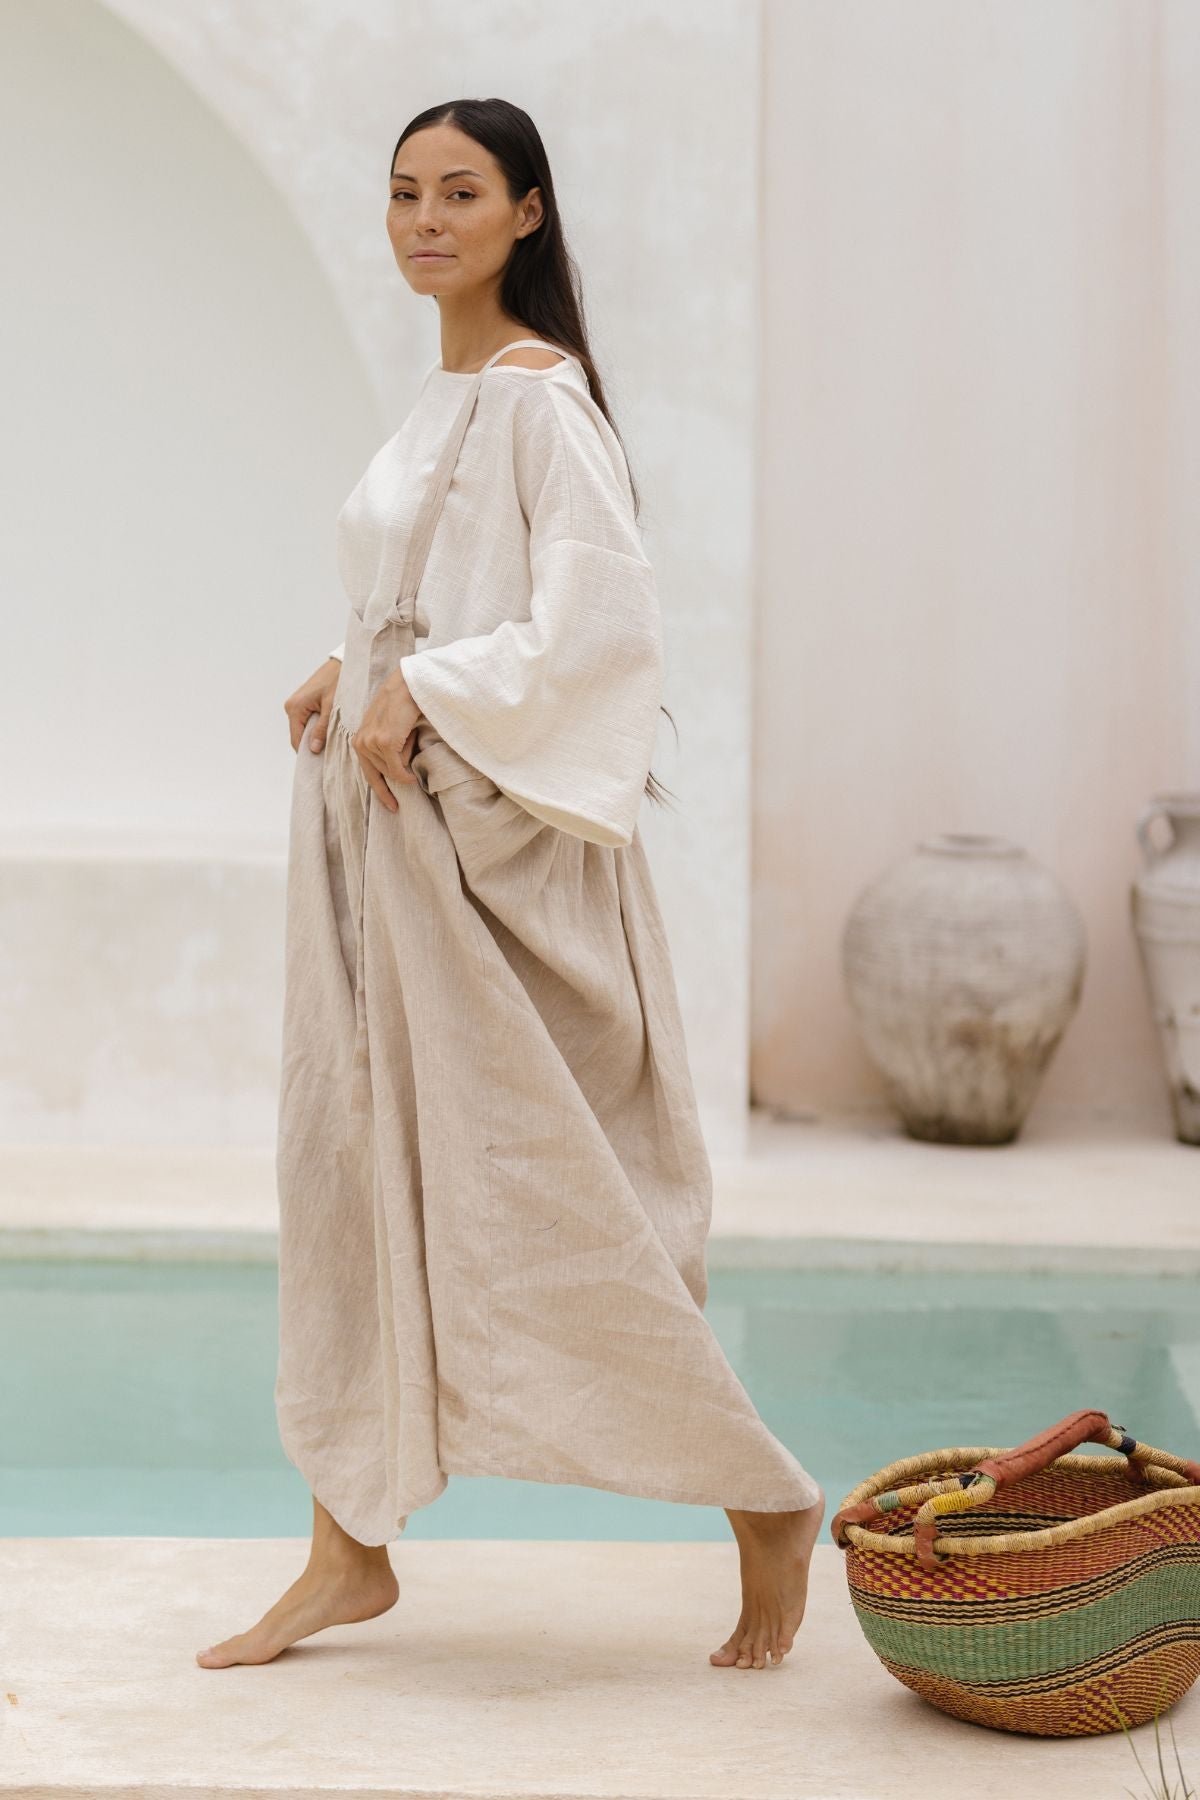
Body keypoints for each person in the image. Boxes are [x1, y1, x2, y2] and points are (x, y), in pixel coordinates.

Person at [197, 98, 824, 1676]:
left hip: (478, 870)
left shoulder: (543, 403)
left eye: (460, 193)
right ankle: (349, 1548)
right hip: (376, 847)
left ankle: (758, 1498)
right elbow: (427, 592)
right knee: (349, 1176)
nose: (425, 218)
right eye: (404, 193)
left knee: (550, 1201)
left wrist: (430, 689)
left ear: (528, 215)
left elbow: (601, 629)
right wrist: (355, 666)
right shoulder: (444, 398)